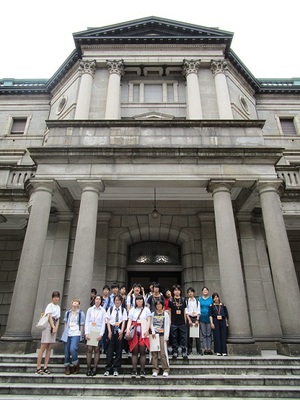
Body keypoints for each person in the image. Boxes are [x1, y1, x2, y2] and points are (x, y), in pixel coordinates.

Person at [126, 294, 151, 378]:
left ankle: (142, 370)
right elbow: (129, 320)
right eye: (137, 300)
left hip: (143, 329)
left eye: (141, 300)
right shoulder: (132, 310)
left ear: (143, 301)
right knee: (134, 351)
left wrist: (147, 330)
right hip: (135, 330)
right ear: (135, 301)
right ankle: (134, 370)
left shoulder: (146, 309)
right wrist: (128, 329)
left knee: (143, 351)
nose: (139, 301)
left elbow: (149, 320)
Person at [36, 291, 61, 375]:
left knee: (49, 347)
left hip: (54, 326)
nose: (56, 298)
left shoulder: (58, 307)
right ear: (52, 298)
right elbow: (49, 316)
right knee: (43, 346)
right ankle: (38, 367)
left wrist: (56, 327)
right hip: (48, 326)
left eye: (57, 297)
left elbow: (58, 318)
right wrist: (53, 326)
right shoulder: (49, 306)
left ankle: (45, 366)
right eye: (54, 297)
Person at [104, 294, 128, 376]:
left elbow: (124, 321)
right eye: (116, 300)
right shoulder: (110, 309)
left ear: (121, 301)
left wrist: (122, 331)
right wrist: (109, 331)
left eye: (119, 300)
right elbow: (107, 320)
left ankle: (116, 368)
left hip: (119, 330)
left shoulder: (123, 310)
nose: (117, 302)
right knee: (109, 350)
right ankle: (108, 368)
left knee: (119, 350)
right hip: (111, 329)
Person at [61, 298, 85, 375]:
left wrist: (81, 335)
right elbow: (65, 323)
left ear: (78, 304)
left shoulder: (81, 313)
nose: (75, 303)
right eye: (74, 302)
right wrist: (64, 332)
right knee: (67, 351)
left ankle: (75, 363)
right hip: (68, 333)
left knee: (73, 349)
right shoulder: (68, 313)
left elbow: (82, 325)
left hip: (76, 333)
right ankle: (67, 366)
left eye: (76, 302)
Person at [85, 294, 106, 376]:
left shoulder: (103, 310)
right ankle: (88, 368)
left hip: (98, 330)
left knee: (97, 350)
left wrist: (101, 334)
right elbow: (87, 321)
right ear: (94, 300)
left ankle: (95, 368)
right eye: (96, 299)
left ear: (101, 301)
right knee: (89, 349)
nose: (98, 300)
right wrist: (86, 333)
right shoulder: (90, 310)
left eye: (99, 299)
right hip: (90, 330)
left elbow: (103, 323)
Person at [150, 299, 170, 377]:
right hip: (155, 335)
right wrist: (153, 332)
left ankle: (165, 369)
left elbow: (167, 325)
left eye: (160, 304)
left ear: (162, 306)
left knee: (162, 352)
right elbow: (151, 323)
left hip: (162, 335)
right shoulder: (152, 314)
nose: (158, 306)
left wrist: (167, 335)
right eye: (157, 305)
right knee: (154, 353)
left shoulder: (166, 314)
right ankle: (155, 369)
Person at [169, 285, 188, 359]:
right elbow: (170, 311)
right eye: (175, 290)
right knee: (174, 337)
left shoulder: (183, 300)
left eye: (178, 290)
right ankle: (175, 351)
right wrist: (170, 320)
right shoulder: (171, 300)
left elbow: (184, 311)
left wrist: (185, 320)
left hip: (182, 321)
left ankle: (184, 351)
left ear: (180, 291)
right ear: (173, 292)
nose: (177, 291)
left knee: (183, 337)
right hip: (174, 321)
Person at [186, 287, 202, 355]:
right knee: (189, 335)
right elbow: (186, 312)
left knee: (197, 335)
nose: (190, 293)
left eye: (191, 292)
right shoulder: (186, 301)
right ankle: (189, 349)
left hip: (196, 318)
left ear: (194, 293)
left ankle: (199, 350)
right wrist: (189, 320)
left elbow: (199, 311)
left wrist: (197, 320)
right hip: (189, 318)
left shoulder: (197, 301)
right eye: (189, 292)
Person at [199, 286, 213, 355]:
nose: (205, 291)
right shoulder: (199, 299)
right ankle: (205, 348)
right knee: (204, 334)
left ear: (208, 291)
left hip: (209, 318)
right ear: (202, 291)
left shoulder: (211, 299)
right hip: (202, 318)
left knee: (209, 334)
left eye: (206, 290)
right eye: (204, 290)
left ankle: (209, 348)